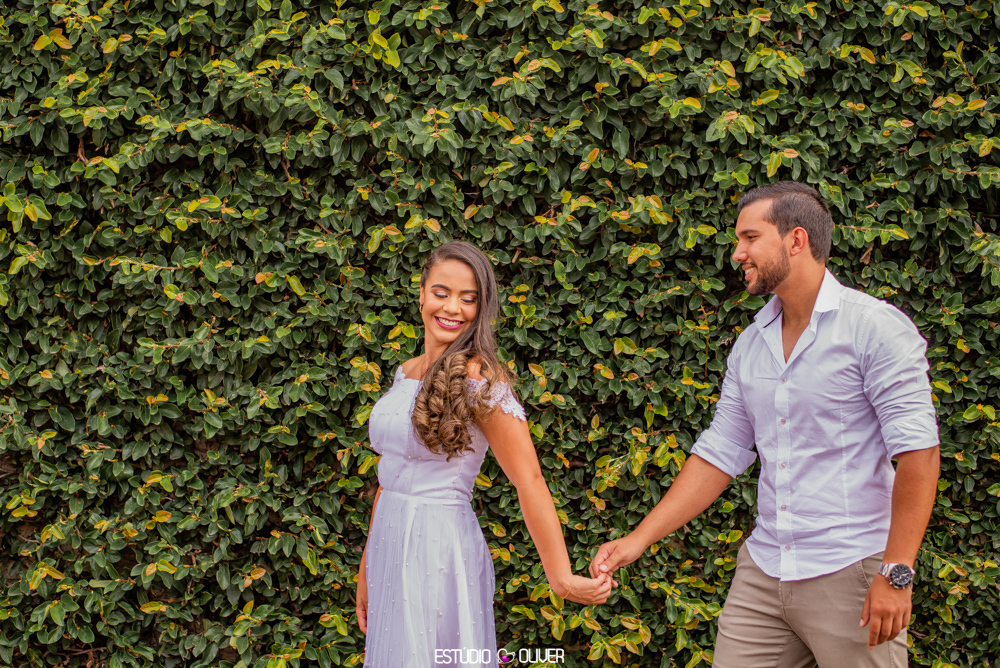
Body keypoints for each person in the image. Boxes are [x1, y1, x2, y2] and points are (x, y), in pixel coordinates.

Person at [589, 181, 940, 667]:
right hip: (764, 572)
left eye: (749, 238)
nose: (737, 253)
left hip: (852, 571)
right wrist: (638, 539)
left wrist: (897, 571)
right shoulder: (752, 344)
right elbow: (719, 453)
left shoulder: (874, 329)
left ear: (796, 240)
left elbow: (918, 451)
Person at [357, 240, 612, 667]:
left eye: (468, 298)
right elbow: (391, 476)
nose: (452, 307)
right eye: (441, 292)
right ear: (421, 293)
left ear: (481, 307)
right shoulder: (406, 372)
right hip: (389, 540)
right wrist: (366, 567)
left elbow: (528, 479)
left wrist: (562, 578)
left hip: (438, 547)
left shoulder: (481, 381)